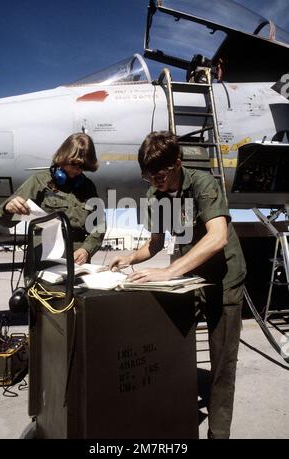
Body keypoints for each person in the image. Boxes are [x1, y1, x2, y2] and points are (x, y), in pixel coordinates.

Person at [109, 131, 246, 439]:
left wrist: (170, 272)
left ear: (177, 164)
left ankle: (218, 434)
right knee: (167, 343)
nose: (153, 180)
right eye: (147, 174)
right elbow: (155, 244)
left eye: (158, 173)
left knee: (222, 363)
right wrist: (130, 258)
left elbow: (217, 237)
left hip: (225, 281)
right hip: (190, 277)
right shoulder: (154, 196)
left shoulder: (202, 183)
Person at [0, 132, 105, 264]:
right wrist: (8, 209)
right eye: (74, 164)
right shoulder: (39, 182)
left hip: (77, 264)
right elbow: (3, 221)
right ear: (63, 158)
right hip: (43, 263)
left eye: (83, 166)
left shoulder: (88, 187)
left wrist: (86, 250)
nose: (78, 170)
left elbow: (99, 224)